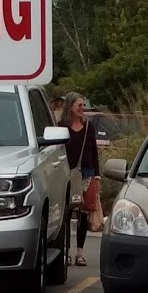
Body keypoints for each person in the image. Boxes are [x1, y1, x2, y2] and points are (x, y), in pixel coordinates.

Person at [59, 91, 99, 266]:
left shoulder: (88, 126)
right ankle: (66, 252)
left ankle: (80, 253)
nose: (82, 109)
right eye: (79, 105)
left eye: (83, 105)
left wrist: (97, 176)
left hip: (87, 173)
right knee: (67, 213)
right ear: (70, 106)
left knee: (83, 214)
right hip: (67, 174)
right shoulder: (61, 127)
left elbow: (94, 151)